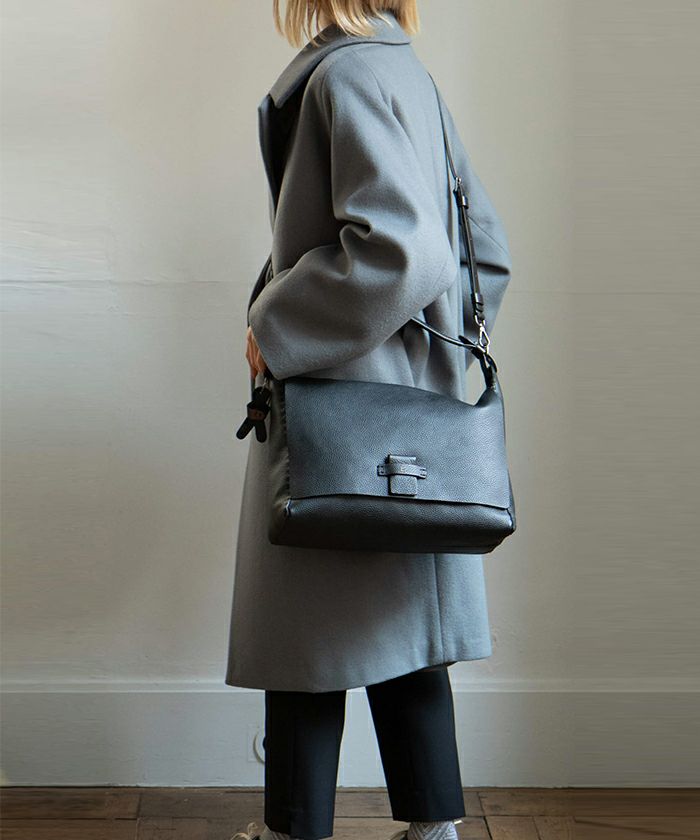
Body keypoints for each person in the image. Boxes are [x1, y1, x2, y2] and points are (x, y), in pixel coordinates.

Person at [228, 2, 513, 839]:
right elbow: (484, 249)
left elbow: (403, 251)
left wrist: (278, 328)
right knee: (401, 626)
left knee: (304, 632)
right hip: (407, 412)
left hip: (335, 409)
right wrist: (432, 362)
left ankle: (292, 830)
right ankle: (435, 830)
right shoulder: (407, 74)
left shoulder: (345, 74)